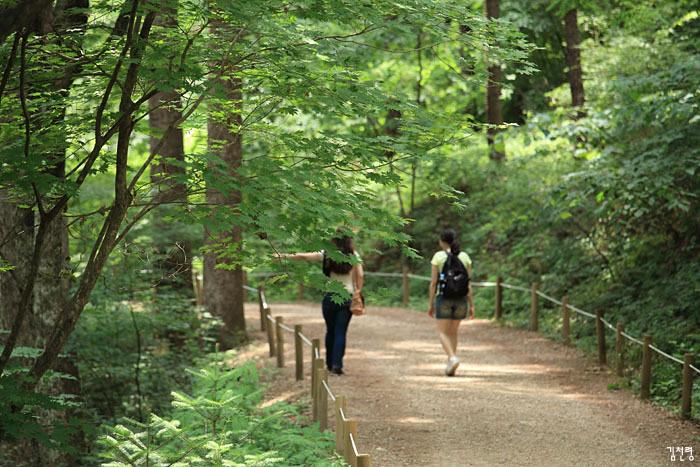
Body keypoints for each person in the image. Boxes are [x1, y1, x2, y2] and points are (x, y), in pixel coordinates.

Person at [277, 234, 363, 375]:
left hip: (330, 297)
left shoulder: (327, 254)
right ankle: (337, 366)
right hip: (347, 296)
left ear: (335, 241)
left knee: (330, 330)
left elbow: (304, 256)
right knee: (341, 332)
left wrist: (283, 256)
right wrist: (358, 291)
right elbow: (360, 275)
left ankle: (329, 364)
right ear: (349, 241)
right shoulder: (354, 255)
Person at [427, 228, 474, 376]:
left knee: (442, 332)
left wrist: (431, 303)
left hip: (444, 298)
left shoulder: (438, 257)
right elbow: (468, 283)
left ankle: (452, 358)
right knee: (453, 333)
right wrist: (472, 304)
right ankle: (451, 362)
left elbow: (433, 283)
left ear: (442, 241)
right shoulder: (465, 257)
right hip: (461, 299)